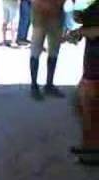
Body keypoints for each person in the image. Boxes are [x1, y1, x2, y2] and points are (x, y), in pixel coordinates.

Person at [67, 0, 99, 164]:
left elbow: (95, 30)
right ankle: (89, 148)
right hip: (92, 65)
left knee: (89, 109)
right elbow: (82, 18)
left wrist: (81, 32)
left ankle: (91, 151)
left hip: (95, 69)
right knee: (83, 106)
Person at [29, 0, 66, 100]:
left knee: (53, 51)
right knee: (36, 50)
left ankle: (49, 84)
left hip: (56, 17)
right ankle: (34, 85)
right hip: (40, 16)